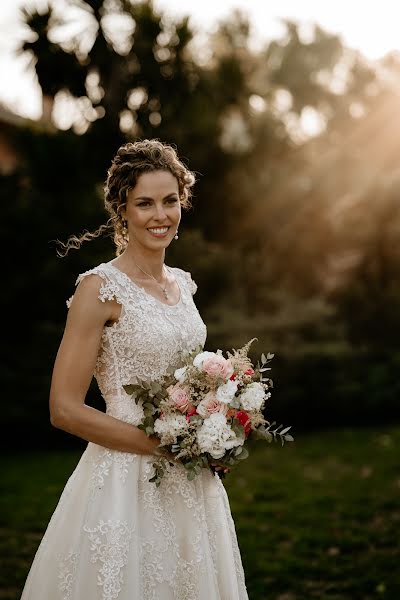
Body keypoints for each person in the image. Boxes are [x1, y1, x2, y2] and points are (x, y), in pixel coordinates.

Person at [20, 139, 249, 600]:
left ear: (182, 202)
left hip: (191, 480)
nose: (159, 215)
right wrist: (165, 446)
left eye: (169, 201)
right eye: (144, 203)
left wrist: (214, 425)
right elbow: (64, 409)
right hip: (123, 483)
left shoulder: (183, 285)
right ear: (122, 209)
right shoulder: (99, 289)